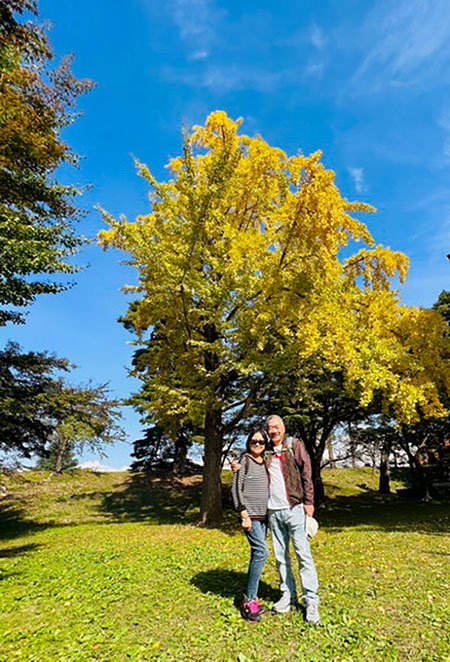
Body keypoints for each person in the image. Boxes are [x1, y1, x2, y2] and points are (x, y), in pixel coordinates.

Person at [265, 414, 320, 625]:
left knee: (303, 555)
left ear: (283, 428)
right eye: (270, 428)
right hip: (273, 511)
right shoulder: (265, 449)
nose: (273, 431)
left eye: (276, 427)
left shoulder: (293, 445)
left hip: (295, 508)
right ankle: (287, 594)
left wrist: (309, 501)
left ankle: (311, 600)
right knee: (281, 557)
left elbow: (307, 472)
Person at [231, 429, 270, 623]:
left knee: (257, 553)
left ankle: (252, 596)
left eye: (261, 442)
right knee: (262, 552)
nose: (257, 444)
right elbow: (235, 489)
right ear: (248, 443)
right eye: (254, 441)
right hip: (250, 516)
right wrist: (243, 514)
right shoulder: (244, 461)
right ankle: (249, 600)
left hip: (264, 517)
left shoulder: (266, 462)